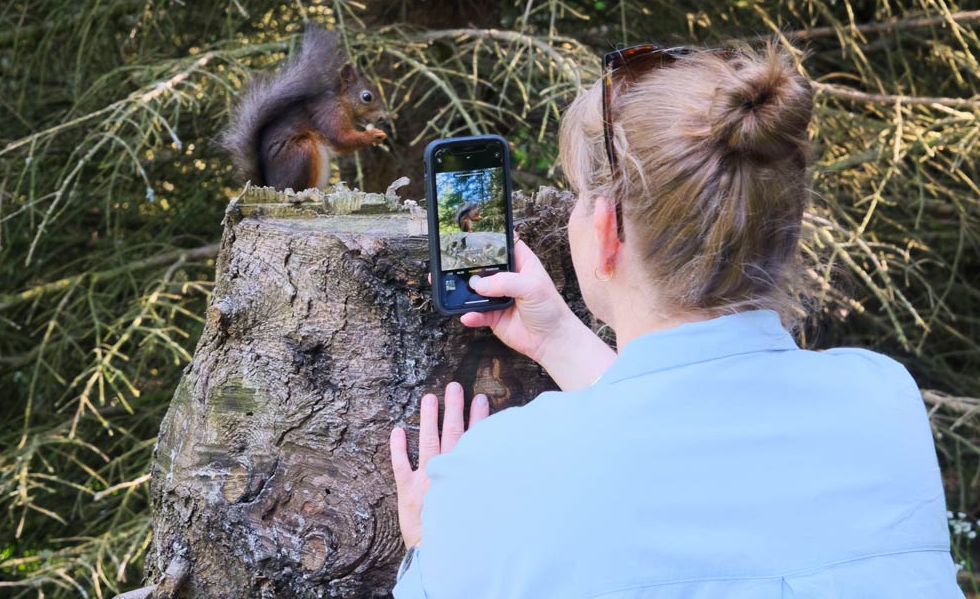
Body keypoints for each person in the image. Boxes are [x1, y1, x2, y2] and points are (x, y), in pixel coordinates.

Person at [388, 42, 963, 598]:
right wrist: (561, 339)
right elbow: (705, 467)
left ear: (606, 230)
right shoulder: (882, 403)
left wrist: (431, 554)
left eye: (581, 196)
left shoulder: (493, 480)